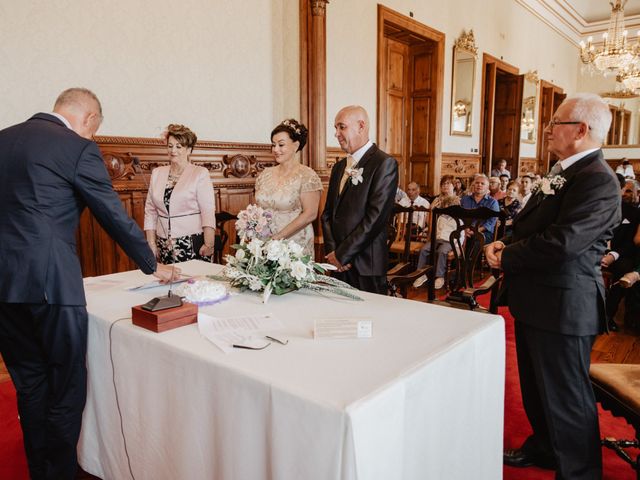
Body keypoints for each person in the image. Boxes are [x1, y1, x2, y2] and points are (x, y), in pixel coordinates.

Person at [0, 88, 178, 480]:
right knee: (66, 385)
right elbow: (112, 214)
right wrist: (153, 266)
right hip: (50, 284)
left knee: (29, 384)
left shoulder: (5, 138)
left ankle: (39, 472)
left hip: (4, 286)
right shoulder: (76, 147)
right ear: (89, 119)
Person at [486, 93, 621, 479]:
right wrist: (506, 244)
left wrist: (508, 256)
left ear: (580, 130)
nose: (547, 130)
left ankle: (579, 471)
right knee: (536, 387)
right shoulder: (564, 171)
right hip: (538, 299)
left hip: (565, 304)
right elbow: (535, 227)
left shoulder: (598, 180)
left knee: (566, 396)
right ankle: (545, 447)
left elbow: (564, 242)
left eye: (555, 123)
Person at [321, 105, 398, 294]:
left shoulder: (384, 163)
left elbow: (375, 218)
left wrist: (343, 255)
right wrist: (334, 254)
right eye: (336, 128)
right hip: (338, 264)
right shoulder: (338, 168)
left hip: (366, 264)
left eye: (341, 127)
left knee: (369, 320)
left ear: (361, 126)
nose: (336, 133)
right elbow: (328, 214)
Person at [144, 124, 216, 264]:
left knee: (192, 283)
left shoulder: (200, 173)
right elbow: (150, 211)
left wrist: (209, 244)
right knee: (167, 284)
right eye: (170, 146)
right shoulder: (157, 173)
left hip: (191, 242)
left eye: (178, 146)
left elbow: (207, 211)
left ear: (189, 149)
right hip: (163, 243)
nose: (173, 150)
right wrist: (151, 243)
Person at [254, 118, 322, 257]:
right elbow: (257, 209)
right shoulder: (265, 174)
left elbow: (310, 214)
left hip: (294, 243)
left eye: (281, 145)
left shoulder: (307, 175)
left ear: (296, 145)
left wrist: (278, 237)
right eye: (273, 145)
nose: (276, 150)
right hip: (264, 241)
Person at [413, 176, 461, 289]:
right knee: (424, 249)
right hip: (437, 235)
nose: (445, 186)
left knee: (441, 251)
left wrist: (459, 244)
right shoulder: (437, 202)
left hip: (449, 239)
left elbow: (460, 230)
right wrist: (432, 209)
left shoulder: (457, 202)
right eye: (443, 184)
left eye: (448, 184)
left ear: (453, 186)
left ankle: (439, 277)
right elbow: (431, 223)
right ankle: (421, 274)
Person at [460, 173, 500, 244]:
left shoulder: (493, 202)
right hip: (465, 230)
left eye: (482, 183)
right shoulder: (464, 199)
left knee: (475, 241)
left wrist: (476, 231)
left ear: (487, 187)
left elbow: (491, 222)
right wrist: (465, 229)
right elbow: (459, 216)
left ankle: (467, 255)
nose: (479, 185)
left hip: (483, 232)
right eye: (477, 183)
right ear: (473, 185)